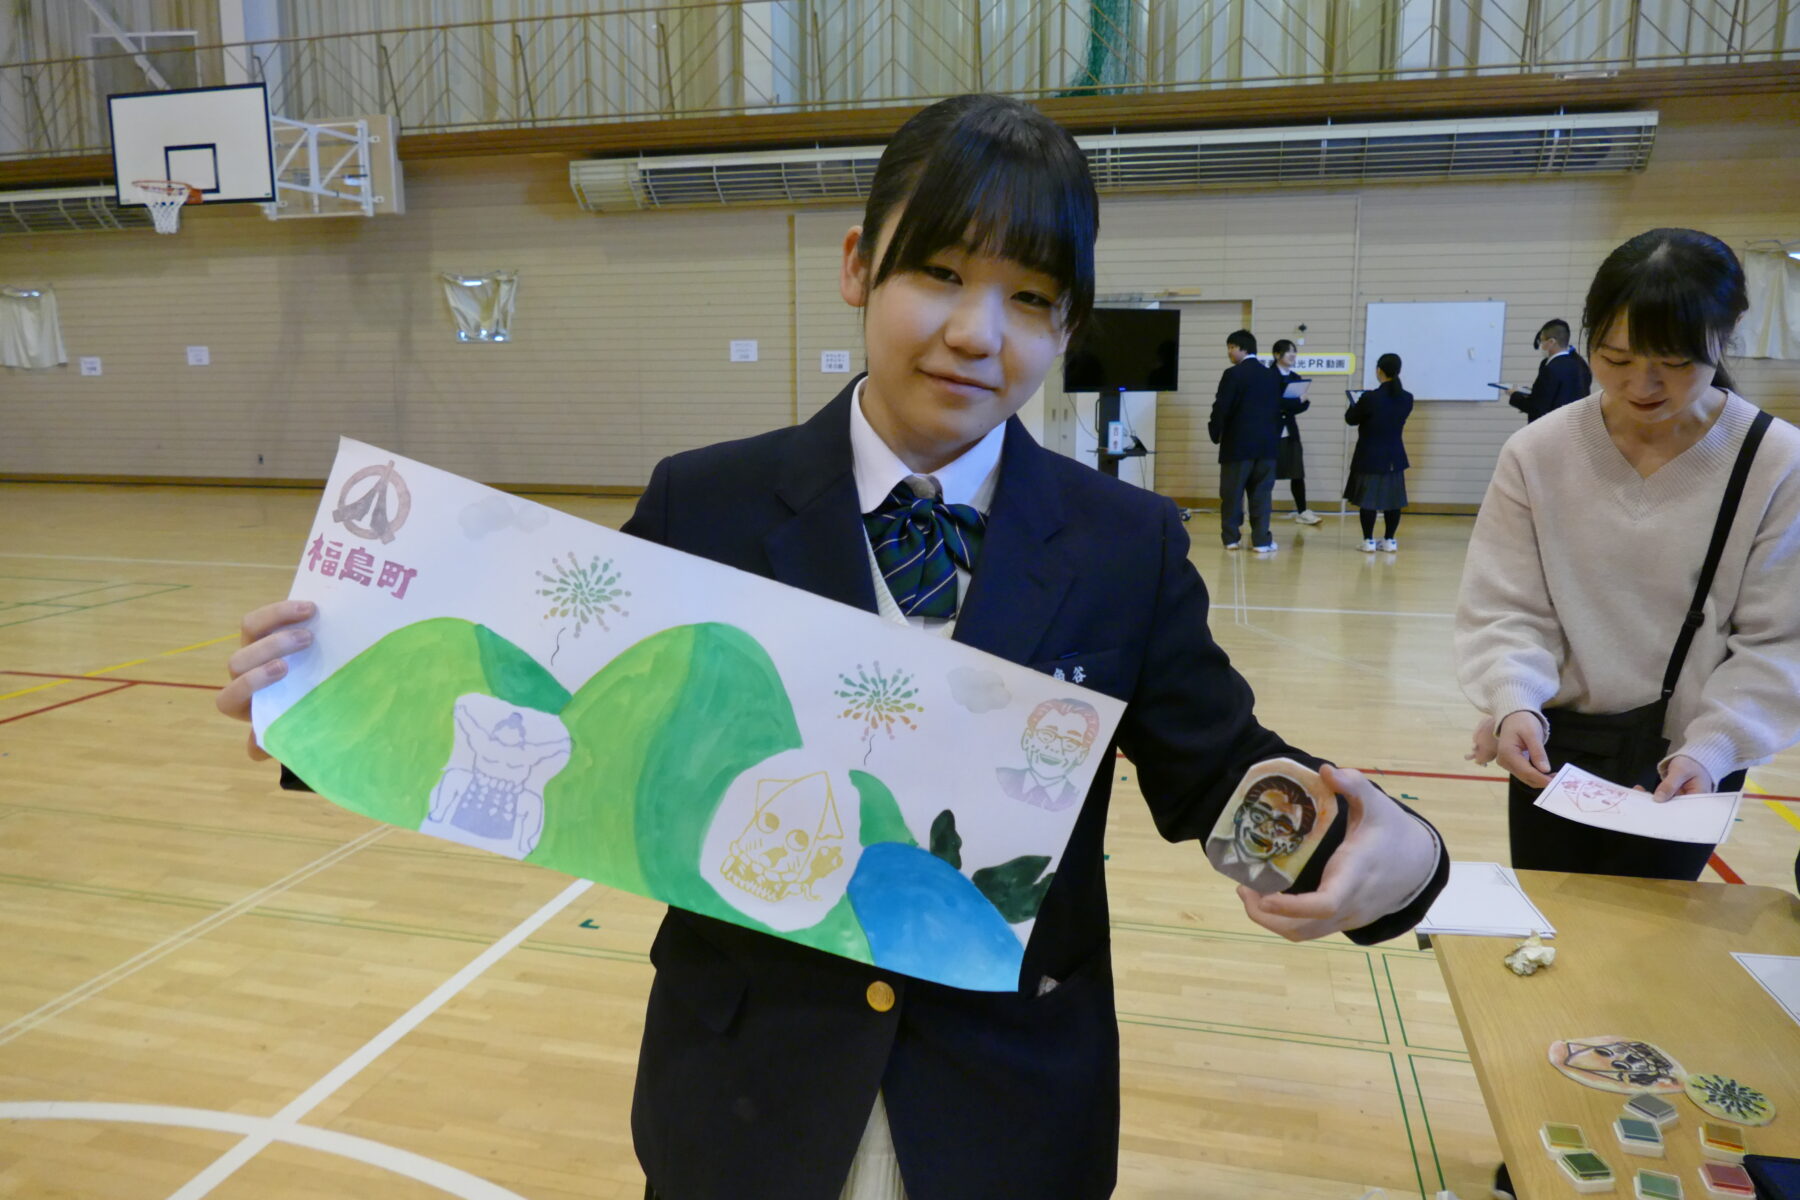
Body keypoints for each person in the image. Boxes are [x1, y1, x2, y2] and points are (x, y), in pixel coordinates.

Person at [217, 94, 1449, 1200]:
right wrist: (323, 683)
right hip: (746, 1091)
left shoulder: (1121, 545)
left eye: (1029, 299)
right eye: (941, 275)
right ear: (860, 266)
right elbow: (568, 702)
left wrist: (1393, 847)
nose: (978, 333)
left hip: (1011, 1110)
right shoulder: (706, 503)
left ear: (1068, 325)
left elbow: (1215, 772)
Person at [1457, 227, 1800, 887]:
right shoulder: (1539, 452)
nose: (1641, 385)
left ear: (1723, 339)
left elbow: (1779, 640)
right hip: (1556, 746)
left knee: (1650, 948)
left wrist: (1714, 747)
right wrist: (1513, 698)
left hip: (1689, 758)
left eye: (1672, 363)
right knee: (1554, 930)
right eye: (1614, 359)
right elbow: (1507, 603)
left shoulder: (1775, 462)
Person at [1208, 329, 1286, 552]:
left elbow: (1221, 407)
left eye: (1232, 347)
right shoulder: (1272, 375)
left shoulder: (1233, 375)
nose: (1229, 352)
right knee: (1262, 495)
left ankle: (1232, 538)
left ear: (1243, 349)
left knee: (1232, 494)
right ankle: (1262, 540)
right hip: (1267, 447)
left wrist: (1215, 432)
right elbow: (1278, 409)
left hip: (1238, 445)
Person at [1343, 354, 1413, 553]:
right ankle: (1390, 540)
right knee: (1393, 500)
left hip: (1370, 454)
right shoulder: (1407, 398)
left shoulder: (1370, 397)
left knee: (1369, 500)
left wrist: (1355, 403)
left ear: (1379, 370)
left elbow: (1351, 419)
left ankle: (1368, 541)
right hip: (1394, 454)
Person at [1271, 339, 1321, 524]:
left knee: (1297, 472)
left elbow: (1304, 404)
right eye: (1288, 352)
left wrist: (1295, 403)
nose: (1293, 355)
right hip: (1271, 432)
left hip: (1290, 431)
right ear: (1277, 354)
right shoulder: (1269, 376)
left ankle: (1302, 511)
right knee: (1267, 474)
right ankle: (1260, 510)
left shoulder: (1296, 377)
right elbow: (1276, 403)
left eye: (1294, 352)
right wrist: (1295, 402)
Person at [1508, 318, 1594, 423]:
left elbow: (1538, 408)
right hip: (1576, 426)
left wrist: (1515, 395)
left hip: (1553, 429)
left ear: (1551, 342)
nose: (1541, 345)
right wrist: (1534, 394)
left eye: (1542, 340)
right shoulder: (1581, 364)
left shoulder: (1550, 369)